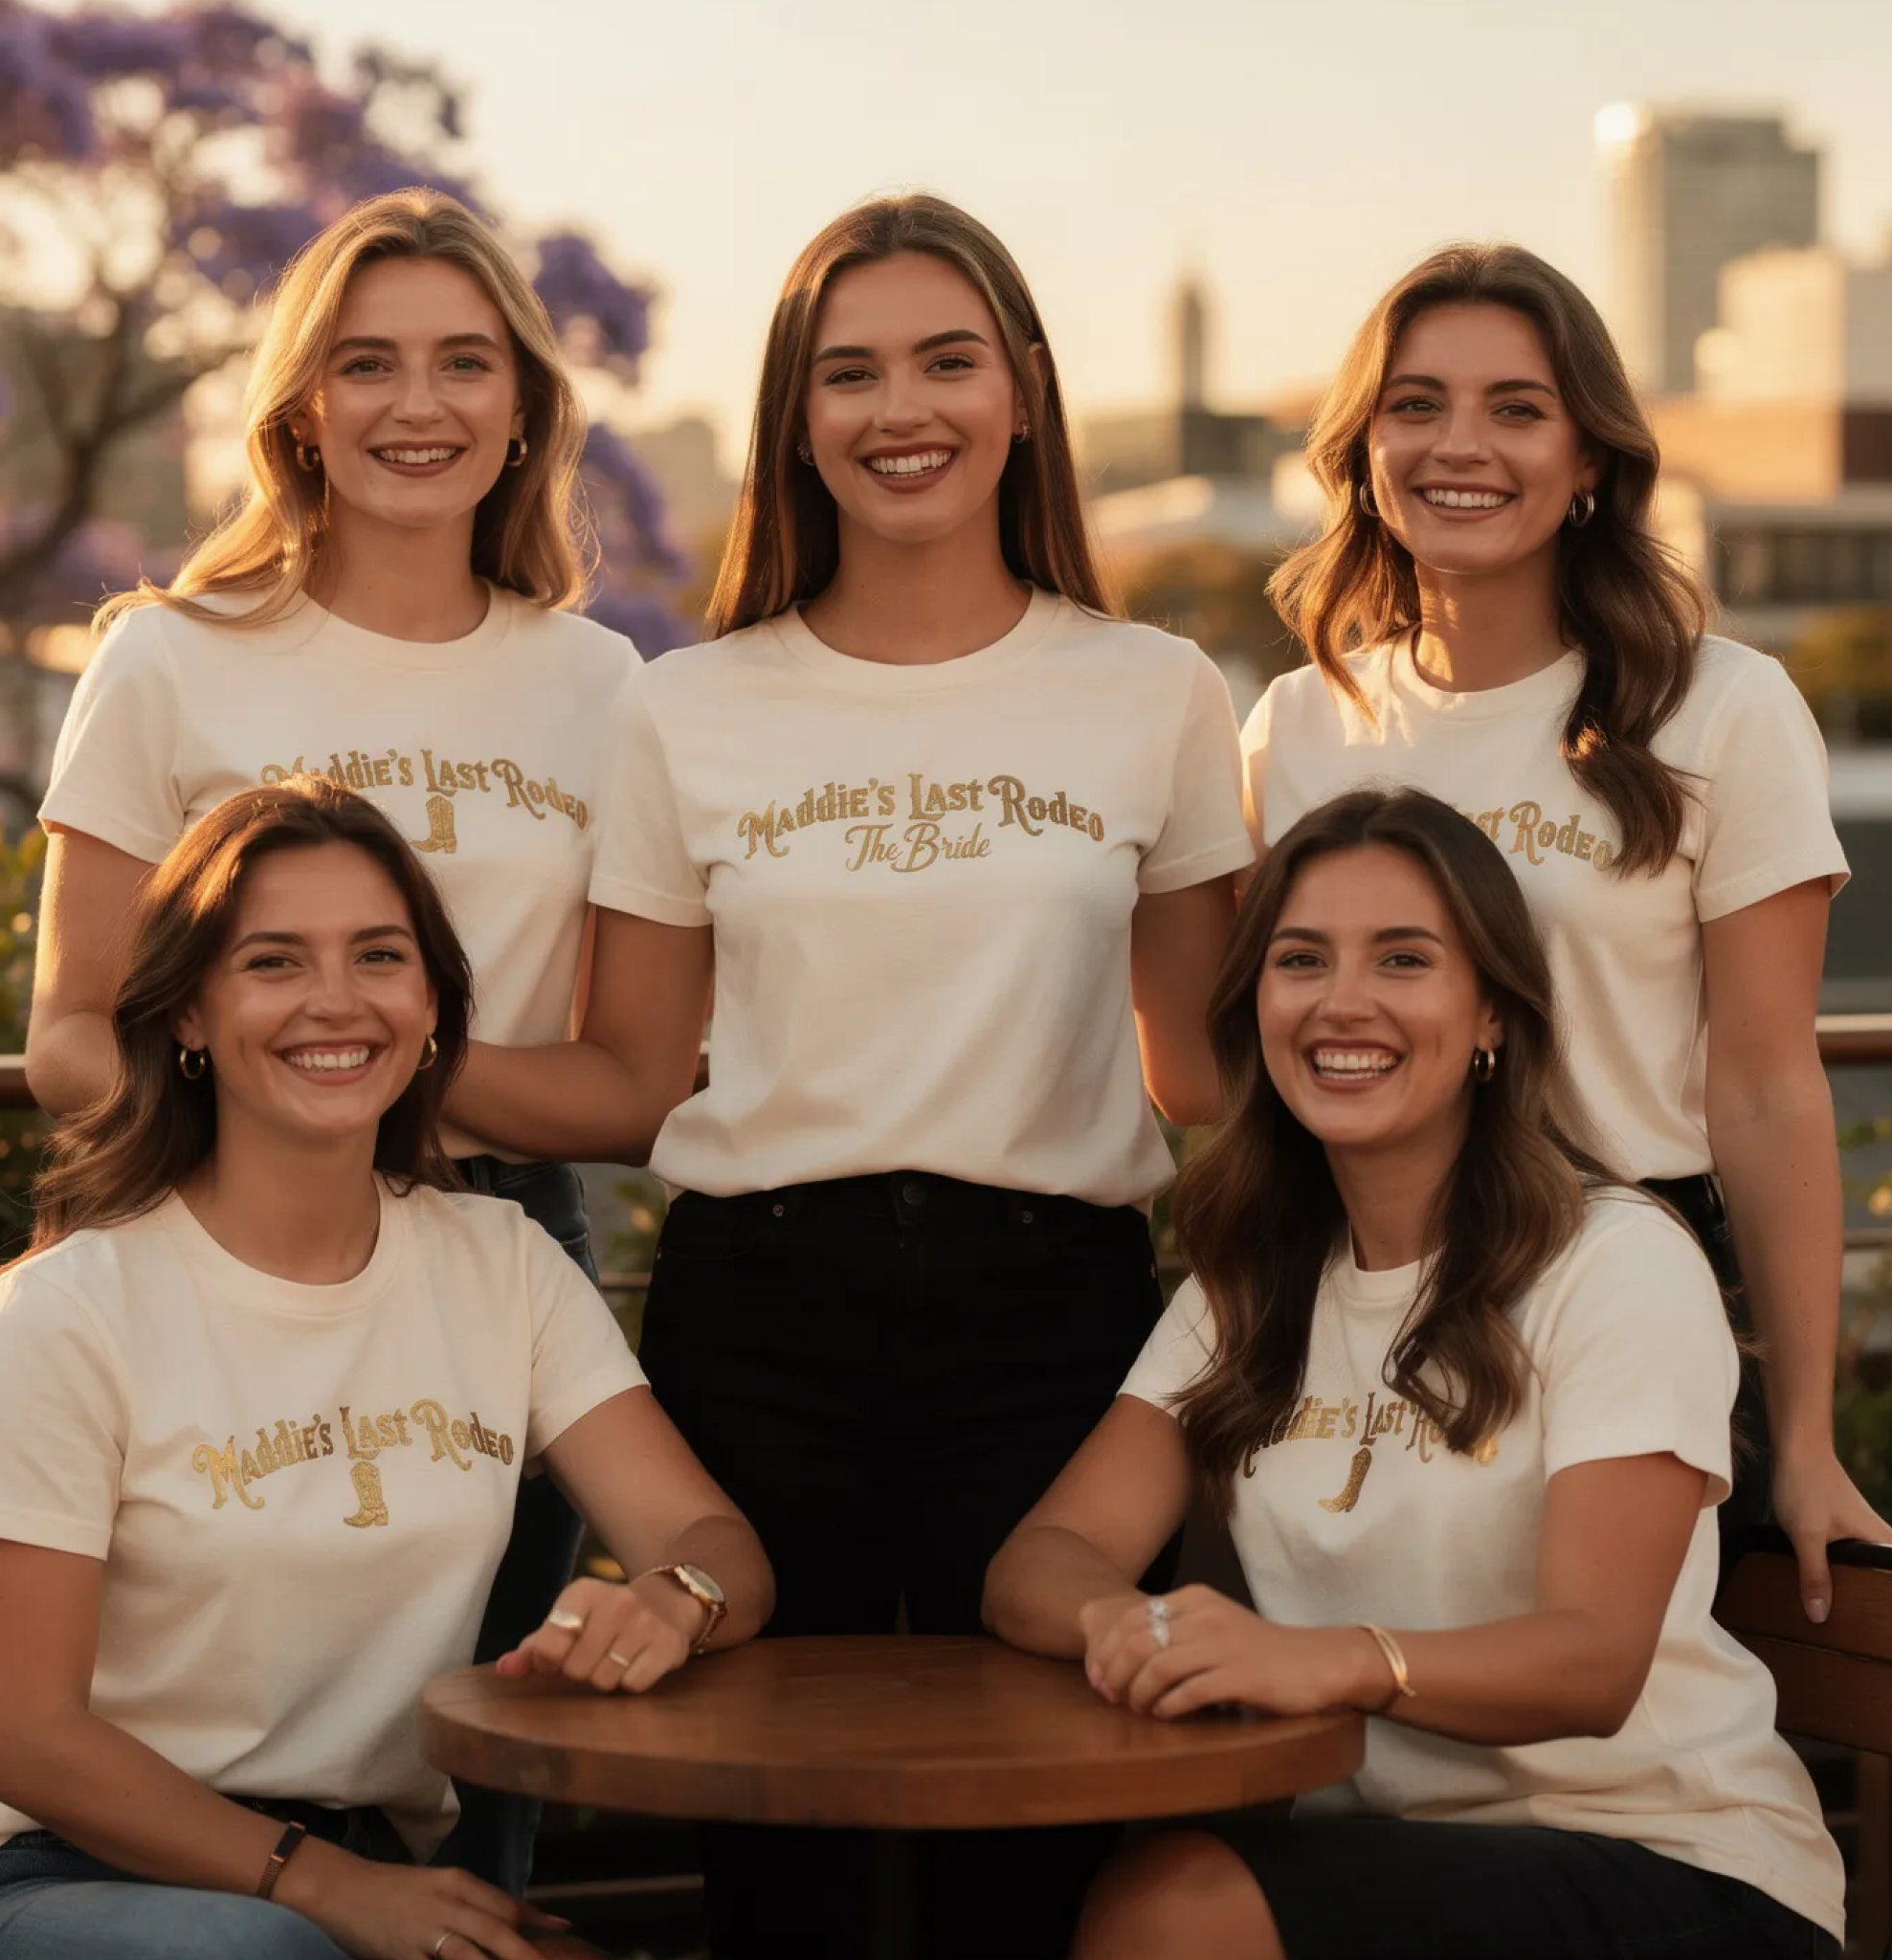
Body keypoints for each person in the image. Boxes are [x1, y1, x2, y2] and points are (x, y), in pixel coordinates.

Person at [442, 192, 1252, 1958]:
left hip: (1054, 1329)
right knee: (779, 1856)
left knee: (1047, 1836)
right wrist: (348, 1066)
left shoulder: (1157, 691)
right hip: (759, 1321)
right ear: (796, 420)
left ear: (1022, 390)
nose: (904, 411)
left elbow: (1204, 1071)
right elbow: (631, 1081)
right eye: (852, 373)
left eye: (947, 362)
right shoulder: (687, 708)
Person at [24, 188, 643, 1888]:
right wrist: (274, 1141)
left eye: (463, 363)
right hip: (211, 1243)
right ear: (300, 405)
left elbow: (630, 1080)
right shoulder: (167, 658)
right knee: (185, 1724)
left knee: (478, 1758)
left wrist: (380, 1090)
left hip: (494, 1255)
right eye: (366, 363)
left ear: (523, 407)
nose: (415, 405)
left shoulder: (601, 687)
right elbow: (70, 1029)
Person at [985, 788, 1846, 1960]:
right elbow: (1039, 1559)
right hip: (1394, 1857)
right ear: (1254, 1006)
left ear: (1490, 1010)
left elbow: (1592, 1663)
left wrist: (1327, 1657)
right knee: (1152, 1883)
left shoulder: (1614, 1262)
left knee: (1174, 1906)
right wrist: (1138, 1626)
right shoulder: (1252, 1288)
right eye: (1300, 958)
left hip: (1672, 1858)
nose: (1342, 1000)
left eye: (1402, 958)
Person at [0, 779, 772, 1960]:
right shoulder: (74, 1308)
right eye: (272, 961)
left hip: (363, 1864)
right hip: (58, 1869)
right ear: (188, 1014)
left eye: (379, 955)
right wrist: (324, 1887)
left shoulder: (503, 1266)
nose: (335, 998)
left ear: (430, 1008)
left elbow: (710, 1536)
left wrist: (674, 1597)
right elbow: (25, 1738)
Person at [1239, 242, 1879, 1616]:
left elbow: (1766, 1088)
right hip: (1358, 1299)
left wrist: (1807, 1439)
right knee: (1356, 1695)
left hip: (1629, 1298)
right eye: (1416, 404)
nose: (1460, 445)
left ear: (1588, 456)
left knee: (1617, 1699)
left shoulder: (1722, 708)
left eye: (1516, 408)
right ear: (1363, 450)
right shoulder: (1294, 726)